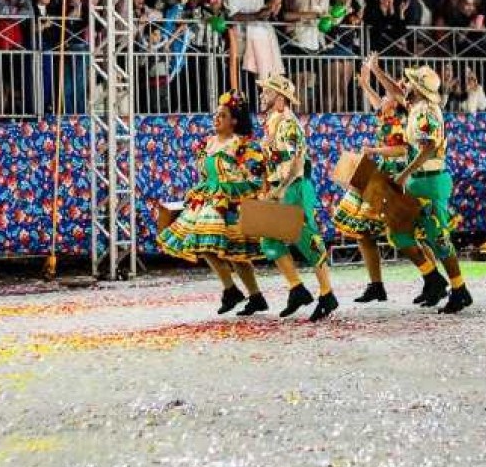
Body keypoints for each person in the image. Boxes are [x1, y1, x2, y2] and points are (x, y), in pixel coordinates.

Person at [154, 92, 267, 315]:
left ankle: (253, 295)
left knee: (236, 254)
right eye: (216, 115)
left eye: (222, 116)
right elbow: (206, 174)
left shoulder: (240, 145)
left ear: (233, 121)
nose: (216, 119)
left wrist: (245, 188)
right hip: (208, 199)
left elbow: (257, 174)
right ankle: (232, 289)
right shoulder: (209, 143)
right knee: (202, 244)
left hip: (231, 202)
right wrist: (198, 190)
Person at [388, 66, 472, 314]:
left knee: (439, 239)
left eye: (410, 81)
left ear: (419, 89)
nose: (405, 83)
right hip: (418, 180)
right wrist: (376, 72)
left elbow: (429, 148)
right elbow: (395, 92)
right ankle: (433, 278)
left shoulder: (426, 112)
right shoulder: (416, 107)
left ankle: (459, 289)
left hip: (431, 181)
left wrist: (403, 174)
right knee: (399, 233)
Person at [253, 74, 336, 321]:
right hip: (280, 186)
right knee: (268, 240)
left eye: (266, 92)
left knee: (306, 239)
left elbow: (296, 161)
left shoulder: (288, 123)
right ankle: (296, 288)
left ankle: (327, 293)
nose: (262, 96)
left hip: (293, 187)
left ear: (280, 98)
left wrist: (280, 190)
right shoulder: (273, 121)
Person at [328, 56, 407, 302]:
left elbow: (402, 150)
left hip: (392, 171)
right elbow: (377, 98)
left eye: (391, 91)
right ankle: (376, 285)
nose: (384, 96)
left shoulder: (405, 112)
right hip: (376, 167)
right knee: (362, 229)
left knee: (405, 233)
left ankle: (431, 277)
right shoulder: (386, 109)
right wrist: (364, 83)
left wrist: (376, 70)